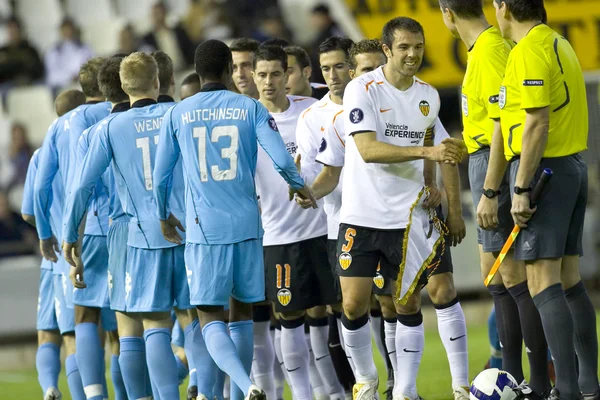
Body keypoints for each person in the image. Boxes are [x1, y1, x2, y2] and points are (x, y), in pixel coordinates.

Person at [153, 38, 314, 400]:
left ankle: (245, 384)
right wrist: (298, 186)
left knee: (209, 315)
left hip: (204, 229)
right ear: (229, 69)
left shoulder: (178, 113)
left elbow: (161, 175)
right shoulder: (249, 108)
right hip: (246, 226)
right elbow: (283, 160)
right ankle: (244, 392)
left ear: (196, 70)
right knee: (242, 311)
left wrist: (163, 215)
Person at [332, 17, 464, 400]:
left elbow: (446, 152)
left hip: (407, 220)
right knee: (354, 304)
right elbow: (368, 150)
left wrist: (452, 208)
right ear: (387, 50)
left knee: (407, 303)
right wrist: (428, 151)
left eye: (418, 47)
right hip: (361, 215)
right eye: (404, 47)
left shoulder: (428, 95)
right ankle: (366, 381)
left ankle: (405, 391)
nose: (412, 54)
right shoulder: (363, 88)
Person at [439, 0, 553, 394]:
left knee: (512, 275)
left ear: (447, 14)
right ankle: (516, 375)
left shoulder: (489, 53)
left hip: (494, 166)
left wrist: (489, 191)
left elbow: (501, 129)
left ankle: (534, 379)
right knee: (497, 276)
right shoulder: (484, 50)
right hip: (484, 160)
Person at [62, 52, 189, 400]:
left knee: (131, 326)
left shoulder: (96, 128)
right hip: (186, 228)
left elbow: (77, 185)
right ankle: (205, 390)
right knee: (197, 318)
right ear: (159, 81)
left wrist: (68, 234)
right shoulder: (177, 115)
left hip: (127, 231)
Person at [494, 1, 598, 399]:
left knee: (541, 281)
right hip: (572, 165)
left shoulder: (527, 51)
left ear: (504, 7)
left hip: (544, 173)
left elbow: (536, 121)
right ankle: (587, 384)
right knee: (569, 280)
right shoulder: (560, 42)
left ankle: (567, 390)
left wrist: (520, 187)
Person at [294, 35, 356, 399]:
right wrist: (305, 190)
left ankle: (398, 384)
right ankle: (356, 386)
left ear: (352, 66)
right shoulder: (312, 117)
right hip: (335, 224)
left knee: (392, 304)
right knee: (346, 307)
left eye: (339, 66)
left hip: (383, 218)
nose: (333, 75)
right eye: (327, 68)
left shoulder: (376, 103)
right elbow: (310, 174)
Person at [22, 86, 83, 398]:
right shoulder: (82, 147)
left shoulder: (39, 154)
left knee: (46, 332)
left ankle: (49, 388)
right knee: (74, 335)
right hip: (71, 256)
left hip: (50, 256)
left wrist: (46, 231)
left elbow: (29, 211)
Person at [141, 1, 195, 71]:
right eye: (154, 14)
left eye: (159, 13)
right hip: (162, 75)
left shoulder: (179, 31)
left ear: (165, 12)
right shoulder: (147, 39)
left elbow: (191, 50)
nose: (157, 17)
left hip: (185, 70)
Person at [45, 18, 94, 91]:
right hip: (60, 88)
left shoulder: (85, 48)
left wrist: (80, 77)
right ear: (60, 31)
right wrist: (70, 78)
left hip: (81, 85)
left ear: (74, 30)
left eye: (69, 29)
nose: (67, 32)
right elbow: (51, 77)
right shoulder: (53, 51)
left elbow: (92, 66)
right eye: (65, 30)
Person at [0, 17, 44, 86]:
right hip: (7, 85)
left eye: (14, 31)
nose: (12, 34)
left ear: (20, 31)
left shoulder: (30, 49)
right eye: (10, 31)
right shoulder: (3, 50)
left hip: (27, 83)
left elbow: (38, 71)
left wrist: (9, 62)